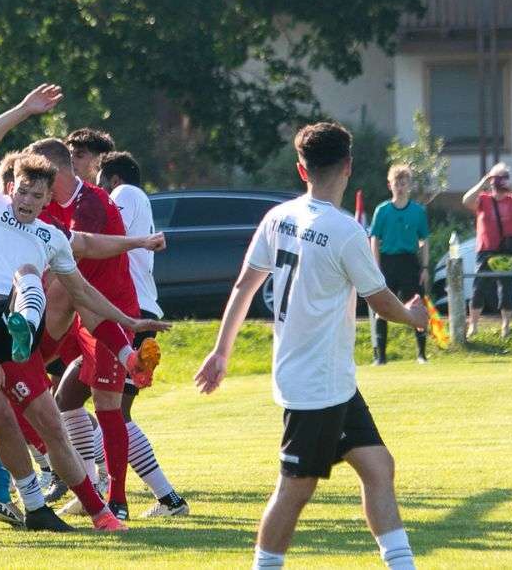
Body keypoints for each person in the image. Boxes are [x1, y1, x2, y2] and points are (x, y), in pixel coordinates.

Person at [0, 84, 169, 545]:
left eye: (36, 195)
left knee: (51, 423)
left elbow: (81, 291)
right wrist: (24, 109)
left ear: (46, 201)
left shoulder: (51, 237)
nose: (25, 200)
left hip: (22, 331)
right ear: (11, 187)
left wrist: (131, 322)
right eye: (21, 190)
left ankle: (101, 513)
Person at [194, 121, 428, 570]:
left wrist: (222, 350)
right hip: (314, 385)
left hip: (331, 380)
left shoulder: (279, 217)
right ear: (348, 166)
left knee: (379, 466)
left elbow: (244, 286)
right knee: (295, 488)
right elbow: (380, 302)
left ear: (302, 170)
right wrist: (414, 317)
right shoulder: (345, 232)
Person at [24, 138, 161, 521]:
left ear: (56, 170)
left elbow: (77, 250)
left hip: (107, 313)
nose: (32, 187)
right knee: (55, 398)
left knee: (108, 408)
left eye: (39, 177)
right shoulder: (48, 203)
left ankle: (118, 498)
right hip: (73, 310)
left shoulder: (93, 203)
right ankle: (86, 486)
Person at [96, 150, 189, 518]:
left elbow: (102, 236)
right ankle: (92, 482)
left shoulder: (126, 195)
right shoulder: (130, 199)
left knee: (114, 410)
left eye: (101, 178)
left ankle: (166, 499)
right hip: (121, 311)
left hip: (130, 314)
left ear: (114, 178)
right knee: (72, 400)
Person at [369, 164, 431, 364]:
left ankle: (421, 354)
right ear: (390, 185)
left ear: (409, 185)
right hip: (388, 262)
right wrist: (376, 266)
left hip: (409, 262)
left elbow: (424, 240)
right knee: (381, 307)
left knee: (417, 305)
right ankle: (381, 357)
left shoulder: (417, 211)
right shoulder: (382, 210)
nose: (400, 187)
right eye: (397, 183)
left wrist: (425, 267)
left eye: (404, 183)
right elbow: (374, 239)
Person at [462, 162, 512, 339]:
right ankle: (473, 325)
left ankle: (506, 326)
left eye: (503, 178)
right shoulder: (483, 199)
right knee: (479, 288)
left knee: (506, 288)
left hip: (507, 251)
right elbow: (466, 201)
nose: (499, 182)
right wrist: (482, 182)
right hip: (485, 250)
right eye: (496, 178)